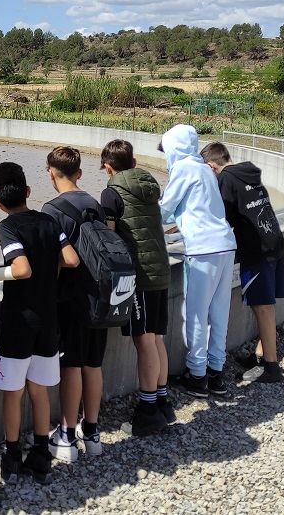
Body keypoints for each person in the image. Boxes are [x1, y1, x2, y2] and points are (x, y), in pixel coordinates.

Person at [0, 161, 78, 486]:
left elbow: (21, 269)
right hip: (48, 319)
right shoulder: (49, 221)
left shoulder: (8, 226)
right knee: (39, 390)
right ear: (28, 191)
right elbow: (71, 259)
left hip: (18, 321)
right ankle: (42, 456)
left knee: (13, 391)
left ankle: (12, 456)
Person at [98, 139, 174, 435]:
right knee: (155, 337)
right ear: (133, 162)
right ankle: (162, 402)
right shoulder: (150, 185)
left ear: (108, 167)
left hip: (139, 274)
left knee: (143, 340)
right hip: (160, 268)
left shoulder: (112, 193)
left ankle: (148, 410)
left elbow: (109, 237)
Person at [158, 124, 238, 399]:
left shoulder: (183, 169)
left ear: (174, 147)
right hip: (225, 245)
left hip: (203, 250)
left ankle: (197, 376)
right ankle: (216, 373)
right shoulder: (205, 168)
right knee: (219, 312)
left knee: (196, 314)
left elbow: (165, 210)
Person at [200, 141, 284, 384]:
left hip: (256, 249)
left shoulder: (226, 179)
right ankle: (262, 354)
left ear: (211, 166)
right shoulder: (248, 173)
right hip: (273, 241)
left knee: (262, 306)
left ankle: (271, 367)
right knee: (267, 303)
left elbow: (221, 217)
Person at [40, 146, 106, 459]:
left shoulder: (52, 210)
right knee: (93, 364)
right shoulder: (95, 204)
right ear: (79, 173)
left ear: (50, 173)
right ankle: (91, 433)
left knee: (71, 365)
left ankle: (65, 437)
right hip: (100, 296)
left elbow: (50, 259)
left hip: (71, 299)